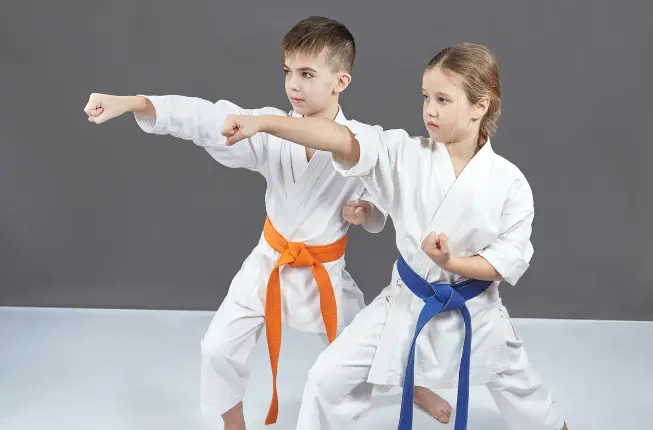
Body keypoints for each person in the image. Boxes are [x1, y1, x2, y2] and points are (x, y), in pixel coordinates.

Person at [221, 42, 569, 430]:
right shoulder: (404, 153)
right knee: (327, 377)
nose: (430, 110)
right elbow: (338, 137)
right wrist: (263, 124)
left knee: (529, 399)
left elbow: (506, 259)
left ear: (480, 106)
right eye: (425, 97)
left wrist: (452, 263)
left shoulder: (510, 183)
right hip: (404, 304)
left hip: (476, 312)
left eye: (443, 99)